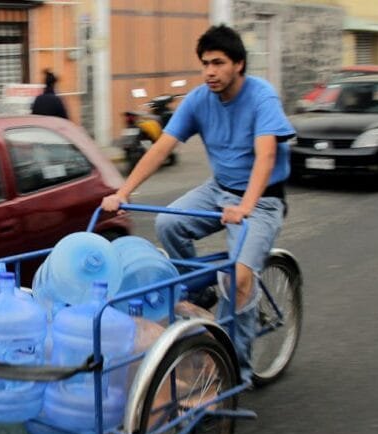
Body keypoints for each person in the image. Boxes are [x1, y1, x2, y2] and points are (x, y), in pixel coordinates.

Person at [100, 24, 295, 385]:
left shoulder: (261, 96)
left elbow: (266, 155)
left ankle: (236, 370)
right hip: (219, 189)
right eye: (205, 63)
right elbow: (161, 148)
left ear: (238, 64)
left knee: (237, 280)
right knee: (167, 224)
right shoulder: (199, 99)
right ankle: (200, 292)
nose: (209, 71)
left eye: (218, 63)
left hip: (262, 200)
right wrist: (124, 191)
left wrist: (247, 206)